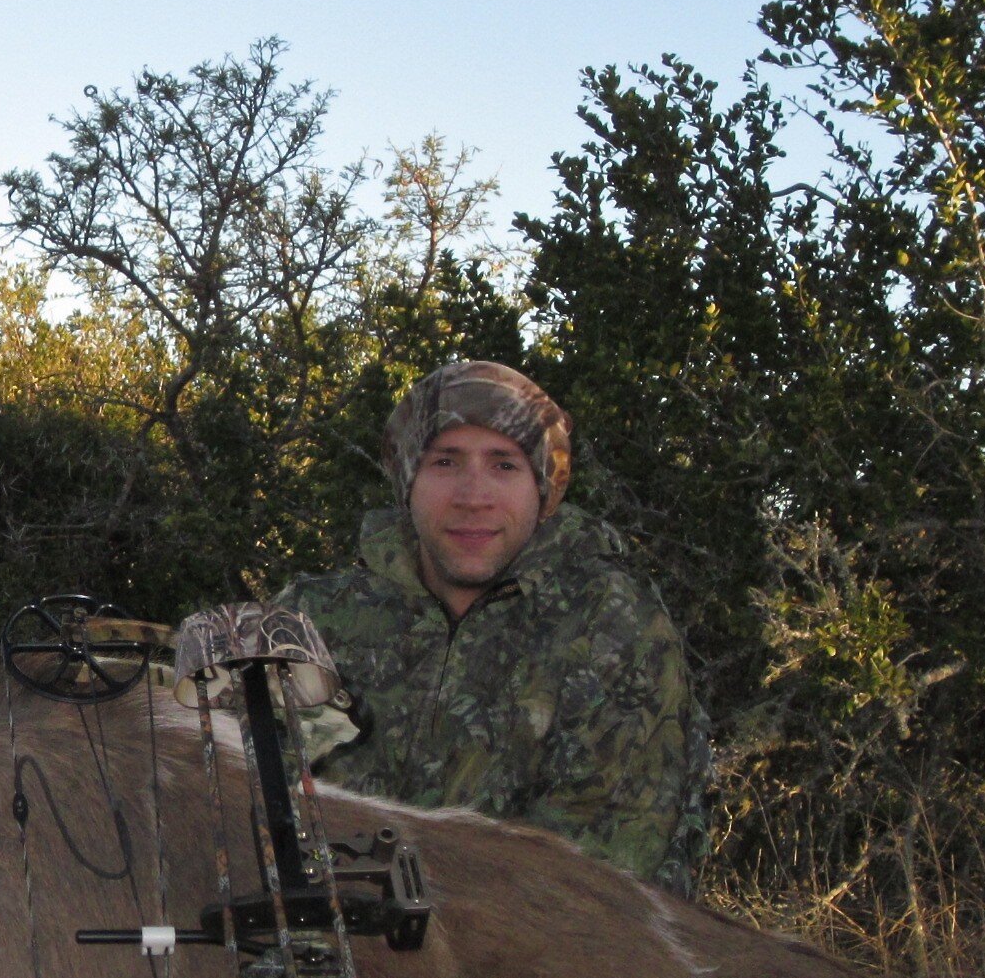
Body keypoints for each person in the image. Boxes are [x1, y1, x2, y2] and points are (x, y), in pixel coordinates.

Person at [278, 359, 709, 893]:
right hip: (335, 945)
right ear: (408, 481)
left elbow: (600, 877)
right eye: (445, 462)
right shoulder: (317, 616)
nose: (472, 496)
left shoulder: (613, 627)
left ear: (543, 489)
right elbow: (242, 791)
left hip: (543, 958)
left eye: (504, 465)